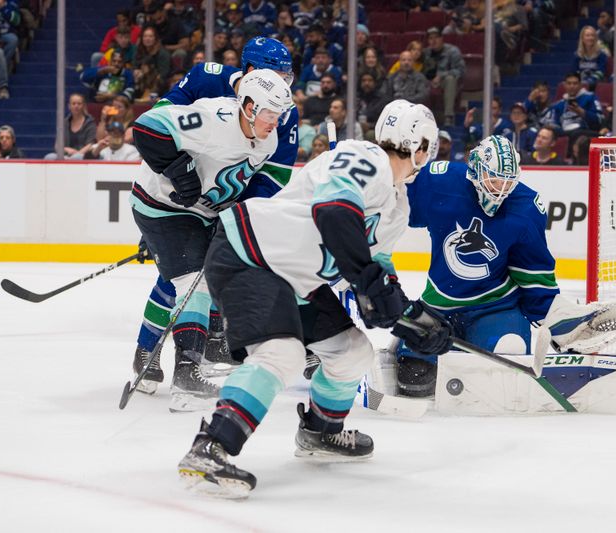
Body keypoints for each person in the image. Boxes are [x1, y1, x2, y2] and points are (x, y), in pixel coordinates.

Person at [176, 100, 449, 498]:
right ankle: (211, 446)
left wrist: (408, 318)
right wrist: (373, 284)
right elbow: (334, 212)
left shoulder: (397, 207)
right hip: (250, 253)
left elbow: (376, 282)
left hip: (295, 278)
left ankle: (320, 431)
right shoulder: (364, 156)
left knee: (353, 352)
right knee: (281, 353)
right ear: (420, 145)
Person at [130, 37, 302, 395]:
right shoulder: (211, 96)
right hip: (169, 202)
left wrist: (241, 214)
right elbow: (152, 129)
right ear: (253, 74)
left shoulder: (277, 116)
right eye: (277, 76)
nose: (285, 88)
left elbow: (270, 176)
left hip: (210, 206)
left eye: (288, 77)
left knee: (186, 278)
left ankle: (183, 346)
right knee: (190, 277)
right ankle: (176, 360)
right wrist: (176, 173)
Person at [396, 135, 616, 397]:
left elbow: (532, 274)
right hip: (438, 308)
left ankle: (470, 344)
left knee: (506, 360)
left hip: (496, 307)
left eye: (508, 181)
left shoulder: (526, 208)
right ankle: (454, 348)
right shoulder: (440, 182)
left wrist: (556, 319)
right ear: (476, 170)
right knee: (413, 381)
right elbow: (394, 201)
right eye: (494, 179)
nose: (500, 189)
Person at [423, 26, 465, 126]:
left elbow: (460, 70)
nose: (433, 41)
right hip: (427, 81)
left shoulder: (452, 51)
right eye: (430, 38)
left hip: (444, 82)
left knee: (450, 79)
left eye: (436, 37)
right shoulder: (425, 53)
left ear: (442, 38)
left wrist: (441, 76)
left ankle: (448, 116)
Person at [550, 72, 604, 146]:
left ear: (580, 85)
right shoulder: (559, 104)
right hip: (565, 132)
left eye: (575, 83)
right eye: (569, 83)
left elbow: (600, 120)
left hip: (584, 132)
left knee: (575, 134)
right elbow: (555, 124)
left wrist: (582, 112)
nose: (572, 86)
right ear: (565, 85)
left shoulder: (590, 97)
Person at [44, 93, 97, 160]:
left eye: (79, 104)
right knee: (49, 157)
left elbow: (90, 145)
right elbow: (57, 146)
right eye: (73, 103)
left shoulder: (90, 123)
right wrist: (66, 149)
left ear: (83, 106)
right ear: (69, 106)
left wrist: (77, 154)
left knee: (77, 158)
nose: (76, 106)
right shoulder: (64, 122)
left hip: (83, 156)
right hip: (65, 155)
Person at [572, 25, 608, 90]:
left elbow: (601, 71)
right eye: (587, 35)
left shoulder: (601, 54)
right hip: (581, 85)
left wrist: (591, 80)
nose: (590, 38)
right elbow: (575, 71)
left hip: (597, 85)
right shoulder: (577, 55)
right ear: (582, 38)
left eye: (592, 35)